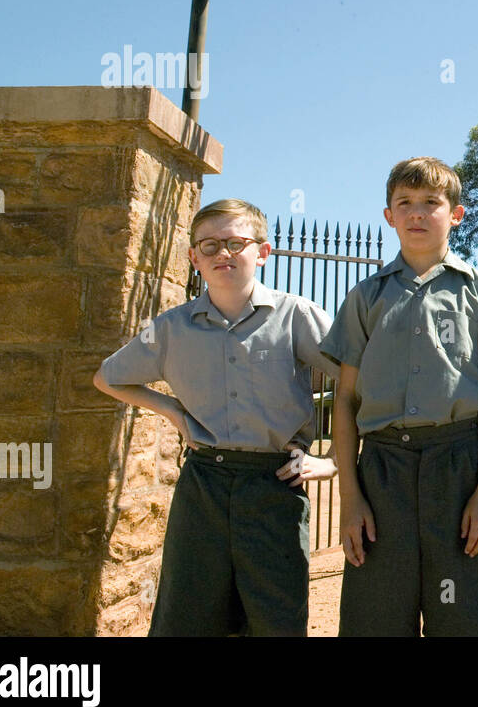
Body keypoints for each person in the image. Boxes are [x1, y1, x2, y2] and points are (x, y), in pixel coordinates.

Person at [93, 198, 340, 636]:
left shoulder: (296, 316)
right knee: (186, 616)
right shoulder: (171, 328)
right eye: (208, 245)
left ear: (262, 253)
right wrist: (172, 411)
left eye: (235, 242)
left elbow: (359, 381)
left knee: (275, 620)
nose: (221, 253)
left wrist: (334, 458)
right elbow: (109, 378)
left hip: (274, 485)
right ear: (193, 258)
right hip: (203, 485)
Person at [323, 156, 478, 637]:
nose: (417, 214)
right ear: (388, 215)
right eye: (404, 204)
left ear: (455, 213)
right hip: (382, 472)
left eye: (430, 203)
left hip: (459, 468)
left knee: (465, 617)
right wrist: (351, 500)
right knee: (377, 618)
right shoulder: (365, 297)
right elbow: (346, 403)